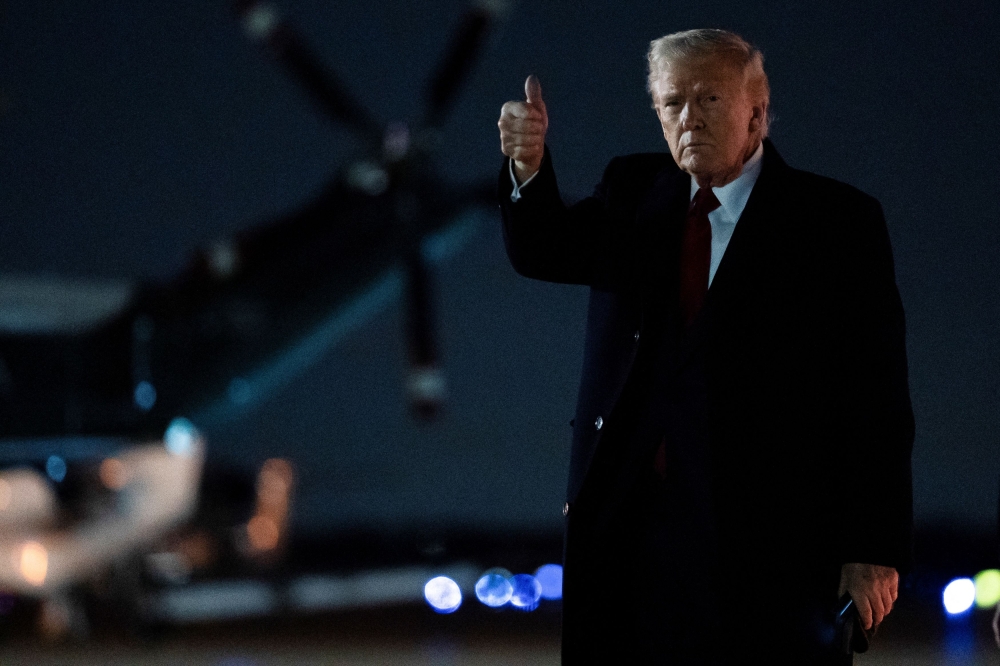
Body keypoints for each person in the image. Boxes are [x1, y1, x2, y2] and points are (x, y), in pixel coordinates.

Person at [496, 29, 914, 664]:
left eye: (710, 99)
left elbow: (876, 397)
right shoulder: (634, 190)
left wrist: (871, 547)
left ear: (758, 109)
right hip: (630, 539)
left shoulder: (836, 222)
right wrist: (527, 166)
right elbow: (546, 249)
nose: (688, 117)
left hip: (773, 545)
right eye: (672, 103)